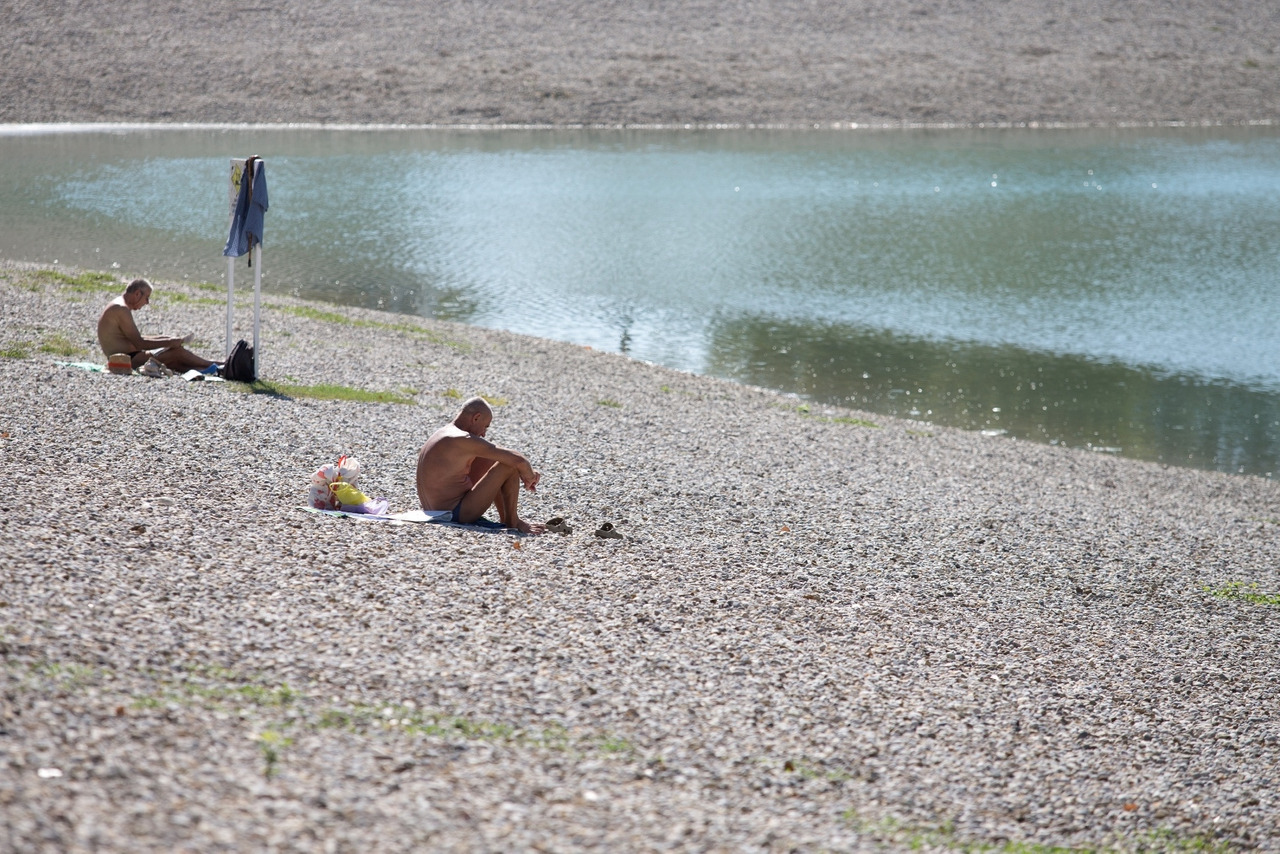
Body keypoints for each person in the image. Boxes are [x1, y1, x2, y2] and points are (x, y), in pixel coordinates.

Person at [416, 397, 546, 535]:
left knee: (492, 459)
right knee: (509, 465)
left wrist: (525, 470)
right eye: (485, 427)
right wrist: (530, 476)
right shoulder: (462, 439)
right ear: (476, 418)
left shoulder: (445, 434)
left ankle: (510, 519)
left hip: (433, 511)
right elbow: (518, 461)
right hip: (453, 514)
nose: (484, 433)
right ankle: (513, 522)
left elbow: (501, 454)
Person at [97, 278, 218, 372]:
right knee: (177, 352)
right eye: (147, 297)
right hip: (125, 360)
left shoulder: (119, 305)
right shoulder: (121, 309)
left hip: (128, 356)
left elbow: (136, 338)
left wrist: (167, 339)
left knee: (174, 362)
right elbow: (140, 343)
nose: (147, 302)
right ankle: (214, 365)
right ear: (137, 294)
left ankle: (206, 369)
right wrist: (170, 342)